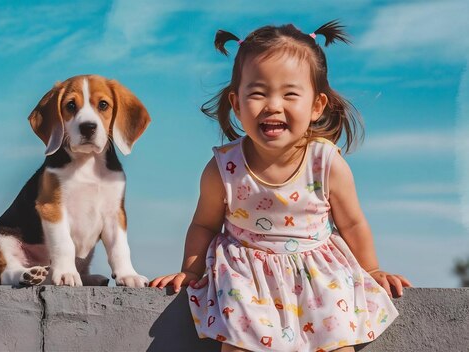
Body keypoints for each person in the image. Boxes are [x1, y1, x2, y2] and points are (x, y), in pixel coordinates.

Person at [149, 20, 412, 352]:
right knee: (238, 344)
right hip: (246, 273)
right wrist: (190, 271)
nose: (272, 105)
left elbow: (353, 222)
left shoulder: (326, 163)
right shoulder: (224, 168)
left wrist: (372, 269)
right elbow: (204, 224)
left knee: (338, 343)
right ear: (236, 103)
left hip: (318, 274)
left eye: (290, 93)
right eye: (257, 93)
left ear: (317, 105)